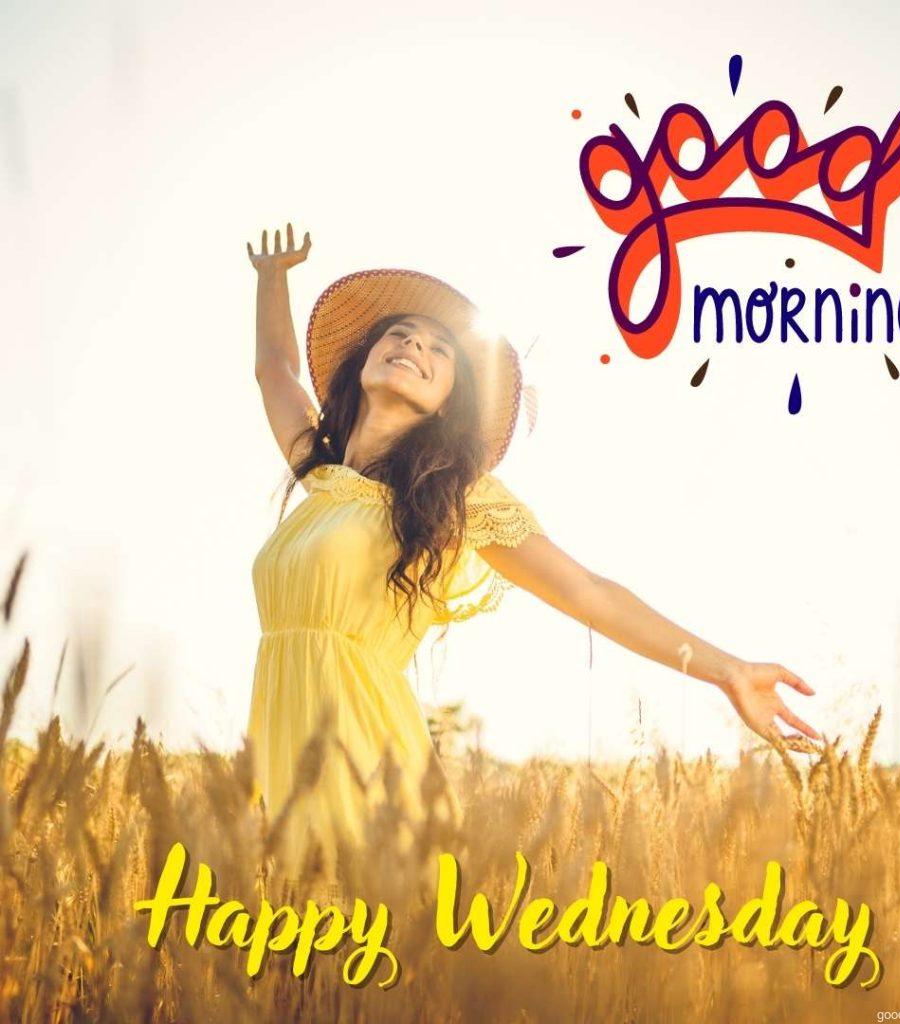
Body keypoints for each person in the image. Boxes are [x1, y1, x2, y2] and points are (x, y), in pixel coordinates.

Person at [245, 223, 820, 876]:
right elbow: (274, 370)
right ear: (365, 360)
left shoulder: (455, 499)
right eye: (399, 335)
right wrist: (272, 277)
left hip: (368, 755)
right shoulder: (319, 477)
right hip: (281, 753)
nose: (413, 345)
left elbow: (590, 594)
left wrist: (728, 670)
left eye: (439, 349)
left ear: (445, 405)